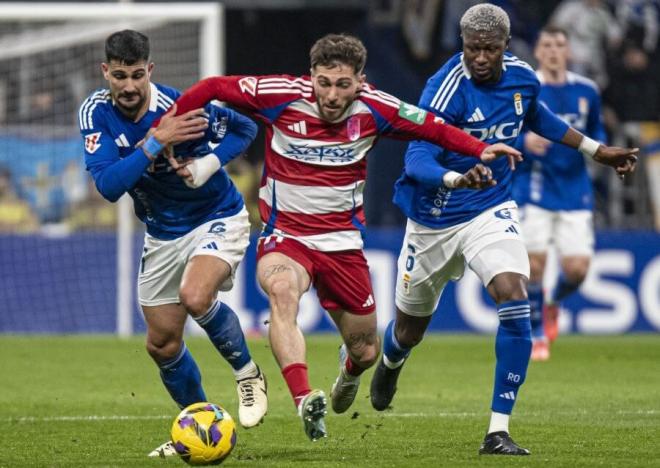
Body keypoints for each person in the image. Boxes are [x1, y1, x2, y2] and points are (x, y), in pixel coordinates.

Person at [157, 33, 523, 441]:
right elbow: (211, 88)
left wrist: (480, 149)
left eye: (343, 85)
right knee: (281, 291)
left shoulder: (377, 108)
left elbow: (432, 127)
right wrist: (167, 123)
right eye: (324, 82)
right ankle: (303, 399)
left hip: (342, 243)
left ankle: (348, 373)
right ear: (310, 76)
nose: (331, 95)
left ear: (360, 81)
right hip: (287, 236)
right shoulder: (278, 94)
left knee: (366, 350)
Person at [369, 3, 638, 456]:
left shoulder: (522, 77)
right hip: (433, 220)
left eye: (489, 49)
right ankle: (392, 360)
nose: (479, 57)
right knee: (409, 330)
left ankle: (497, 430)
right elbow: (416, 159)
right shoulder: (444, 90)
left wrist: (595, 150)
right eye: (472, 48)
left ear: (505, 47)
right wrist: (457, 176)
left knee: (515, 294)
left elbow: (538, 117)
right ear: (462, 45)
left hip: (489, 209)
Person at [77, 30, 268, 457]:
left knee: (196, 295)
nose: (129, 86)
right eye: (120, 76)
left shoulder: (182, 107)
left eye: (138, 75)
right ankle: (202, 427)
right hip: (162, 232)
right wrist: (156, 142)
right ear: (105, 71)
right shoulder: (95, 111)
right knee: (161, 343)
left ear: (151, 70)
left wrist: (208, 164)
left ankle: (248, 374)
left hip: (215, 215)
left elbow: (246, 127)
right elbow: (108, 185)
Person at [512, 26, 607, 361]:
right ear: (537, 51)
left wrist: (596, 148)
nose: (553, 51)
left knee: (578, 270)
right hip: (534, 186)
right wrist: (524, 141)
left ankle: (552, 303)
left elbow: (596, 128)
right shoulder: (526, 88)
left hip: (574, 187)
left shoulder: (587, 90)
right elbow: (507, 129)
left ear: (568, 52)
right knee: (534, 264)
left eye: (559, 45)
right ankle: (538, 333)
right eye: (547, 44)